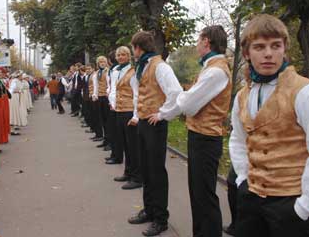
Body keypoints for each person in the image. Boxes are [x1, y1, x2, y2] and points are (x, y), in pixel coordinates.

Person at [229, 14, 309, 237]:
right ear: (247, 53)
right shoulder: (243, 95)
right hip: (251, 199)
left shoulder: (302, 91)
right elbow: (238, 139)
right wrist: (243, 179)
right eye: (259, 47)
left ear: (284, 49)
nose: (268, 54)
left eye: (275, 46)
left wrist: (303, 207)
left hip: (290, 203)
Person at [176, 25, 231, 237]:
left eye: (199, 40)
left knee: (204, 196)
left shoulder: (216, 70)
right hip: (200, 136)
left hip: (206, 139)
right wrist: (186, 97)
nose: (197, 45)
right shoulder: (210, 67)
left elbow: (188, 105)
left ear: (206, 41)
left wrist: (183, 96)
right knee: (198, 194)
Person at [127, 31, 182, 237]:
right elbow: (139, 94)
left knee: (156, 172)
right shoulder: (143, 66)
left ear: (139, 48)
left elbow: (176, 93)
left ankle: (161, 218)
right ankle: (149, 210)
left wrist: (162, 114)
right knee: (146, 169)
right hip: (143, 121)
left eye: (133, 48)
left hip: (154, 125)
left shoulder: (160, 66)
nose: (133, 52)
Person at [111, 46, 142, 190]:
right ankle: (128, 172)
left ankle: (137, 177)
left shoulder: (133, 72)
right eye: (118, 55)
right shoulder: (116, 71)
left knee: (133, 146)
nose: (121, 57)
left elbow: (137, 94)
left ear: (129, 56)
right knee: (124, 144)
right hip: (119, 111)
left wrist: (136, 116)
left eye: (124, 54)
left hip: (130, 112)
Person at [91, 56, 109, 145]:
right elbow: (96, 86)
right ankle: (105, 140)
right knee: (102, 120)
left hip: (107, 98)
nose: (102, 63)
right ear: (98, 63)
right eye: (100, 62)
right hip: (100, 98)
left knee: (107, 121)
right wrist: (95, 95)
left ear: (106, 63)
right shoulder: (96, 73)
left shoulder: (108, 72)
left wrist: (108, 93)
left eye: (103, 61)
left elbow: (110, 85)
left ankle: (109, 141)